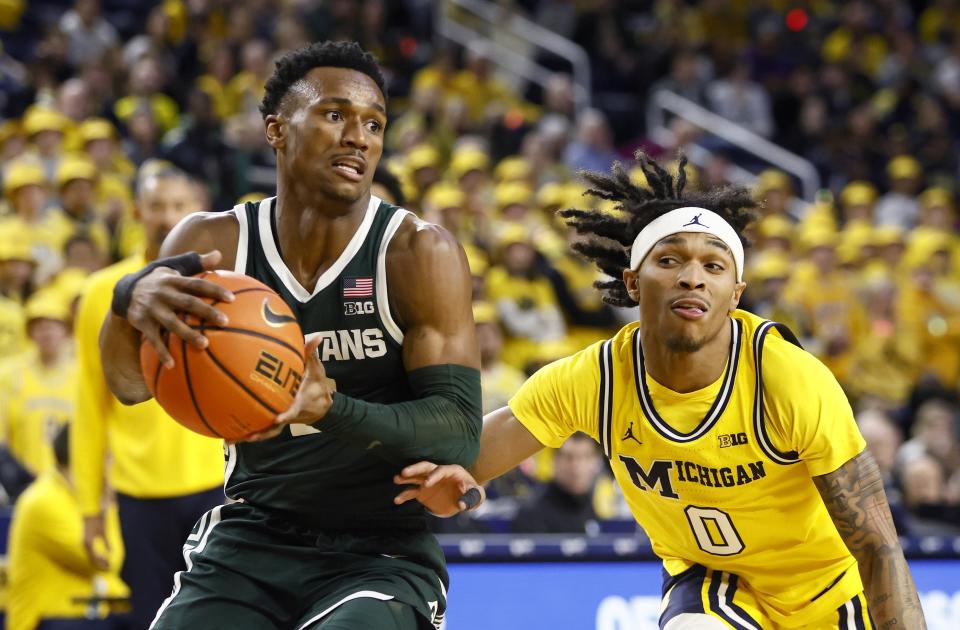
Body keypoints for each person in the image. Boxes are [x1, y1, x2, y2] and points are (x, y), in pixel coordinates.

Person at [395, 154, 926, 629]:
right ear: (632, 281)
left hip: (831, 592)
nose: (692, 278)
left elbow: (878, 544)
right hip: (717, 588)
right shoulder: (595, 379)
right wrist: (432, 476)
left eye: (713, 266)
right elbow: (462, 458)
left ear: (735, 293)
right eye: (669, 260)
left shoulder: (786, 377)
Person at [98, 42, 480, 630]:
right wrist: (126, 302)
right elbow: (128, 384)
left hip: (379, 550)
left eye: (374, 124)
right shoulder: (215, 245)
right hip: (252, 535)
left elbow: (458, 434)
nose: (359, 136)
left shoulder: (417, 252)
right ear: (275, 130)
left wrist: (333, 409)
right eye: (335, 115)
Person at [71, 164, 225, 629]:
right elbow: (89, 403)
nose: (167, 216)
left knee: (225, 616)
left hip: (215, 486)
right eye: (157, 206)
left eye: (179, 206)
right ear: (138, 211)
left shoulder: (220, 287)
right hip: (139, 493)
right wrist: (89, 509)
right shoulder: (103, 291)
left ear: (197, 213)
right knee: (151, 621)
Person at [8, 425, 129, 630]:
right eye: (107, 456)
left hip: (87, 611)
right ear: (85, 456)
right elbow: (106, 560)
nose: (113, 465)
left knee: (147, 611)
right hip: (46, 620)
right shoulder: (42, 501)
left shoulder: (80, 498)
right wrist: (107, 506)